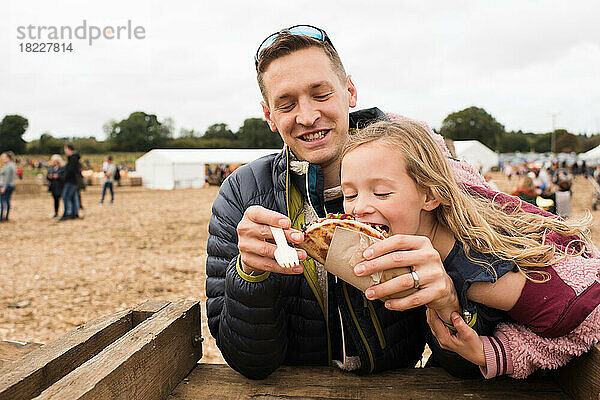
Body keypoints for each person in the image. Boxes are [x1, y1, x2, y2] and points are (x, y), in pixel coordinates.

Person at [206, 25, 462, 380]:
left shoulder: (417, 173)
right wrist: (250, 274)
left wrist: (448, 302)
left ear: (350, 92)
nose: (307, 116)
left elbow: (465, 365)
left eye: (321, 94)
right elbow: (250, 362)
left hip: (395, 385)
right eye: (286, 104)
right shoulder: (242, 192)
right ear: (269, 116)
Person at [339, 119, 600, 379]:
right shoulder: (444, 195)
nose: (358, 208)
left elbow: (577, 315)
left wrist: (496, 352)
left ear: (430, 196)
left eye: (382, 193)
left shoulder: (480, 271)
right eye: (349, 195)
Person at [59, 143, 82, 221]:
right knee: (73, 197)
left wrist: (63, 176)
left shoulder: (72, 159)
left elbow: (70, 171)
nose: (65, 151)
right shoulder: (74, 158)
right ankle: (74, 213)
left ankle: (68, 213)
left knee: (65, 197)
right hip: (74, 181)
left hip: (71, 181)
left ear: (69, 149)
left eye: (65, 149)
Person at [0, 151, 17, 222]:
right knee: (7, 201)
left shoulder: (8, 166)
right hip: (11, 185)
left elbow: (7, 178)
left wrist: (4, 187)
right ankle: (6, 216)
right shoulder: (12, 165)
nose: (2, 159)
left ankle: (1, 216)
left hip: (6, 185)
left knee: (2, 201)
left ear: (8, 158)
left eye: (3, 157)